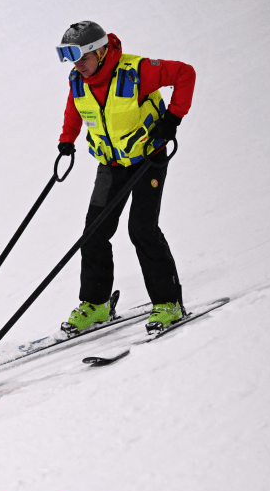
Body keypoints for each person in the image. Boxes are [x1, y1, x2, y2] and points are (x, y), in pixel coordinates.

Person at [54, 21, 196, 334]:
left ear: (101, 51)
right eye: (71, 59)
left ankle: (169, 303)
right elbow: (74, 108)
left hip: (148, 158)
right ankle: (97, 304)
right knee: (93, 232)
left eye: (82, 57)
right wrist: (67, 140)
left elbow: (185, 73)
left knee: (142, 229)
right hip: (111, 164)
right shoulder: (78, 80)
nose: (77, 65)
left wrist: (172, 118)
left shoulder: (136, 71)